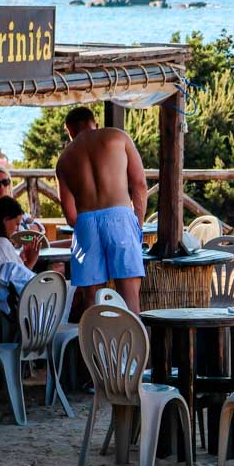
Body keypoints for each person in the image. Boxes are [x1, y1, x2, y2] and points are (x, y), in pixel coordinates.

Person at [55, 106, 147, 315]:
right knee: (129, 296)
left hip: (85, 224)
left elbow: (71, 216)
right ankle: (136, 347)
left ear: (70, 130)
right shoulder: (118, 137)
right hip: (120, 217)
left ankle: (95, 347)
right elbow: (139, 184)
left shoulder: (64, 159)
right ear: (94, 123)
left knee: (91, 299)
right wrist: (137, 225)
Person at [0, 196, 41, 317]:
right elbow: (11, 289)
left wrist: (25, 263)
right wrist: (31, 261)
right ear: (5, 220)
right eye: (16, 224)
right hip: (14, 311)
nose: (17, 229)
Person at [0, 166, 44, 235]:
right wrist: (31, 227)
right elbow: (18, 236)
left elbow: (39, 228)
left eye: (5, 182)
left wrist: (30, 228)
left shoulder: (9, 206)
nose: (1, 187)